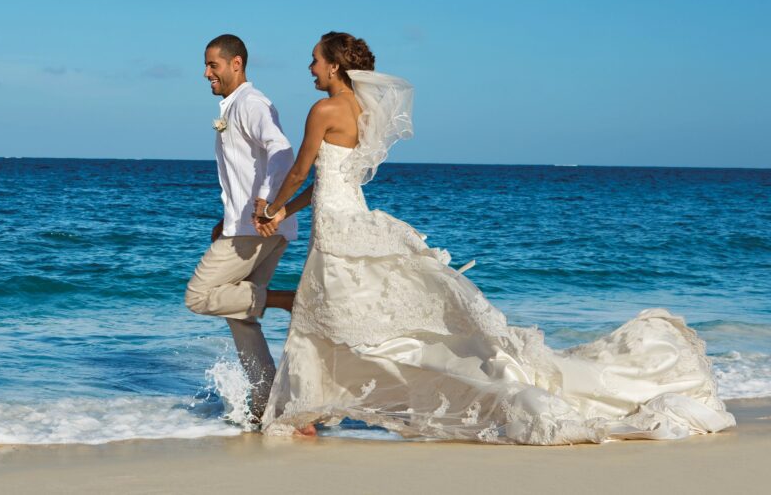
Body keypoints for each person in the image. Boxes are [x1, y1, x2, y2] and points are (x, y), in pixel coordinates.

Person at [252, 31, 735, 443]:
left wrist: (271, 207)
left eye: (315, 59)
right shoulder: (362, 111)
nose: (310, 67)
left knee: (340, 321)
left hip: (339, 231)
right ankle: (312, 407)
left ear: (335, 65)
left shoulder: (323, 109)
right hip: (349, 220)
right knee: (349, 322)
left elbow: (300, 172)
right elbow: (323, 184)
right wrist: (285, 212)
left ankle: (309, 409)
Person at [184, 34, 297, 423]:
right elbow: (246, 169)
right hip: (251, 223)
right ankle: (268, 404)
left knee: (199, 297)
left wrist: (266, 205)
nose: (206, 73)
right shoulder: (235, 106)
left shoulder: (251, 103)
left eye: (212, 65)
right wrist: (229, 216)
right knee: (240, 315)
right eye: (206, 65)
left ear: (236, 64)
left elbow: (281, 151)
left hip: (258, 227)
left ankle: (284, 300)